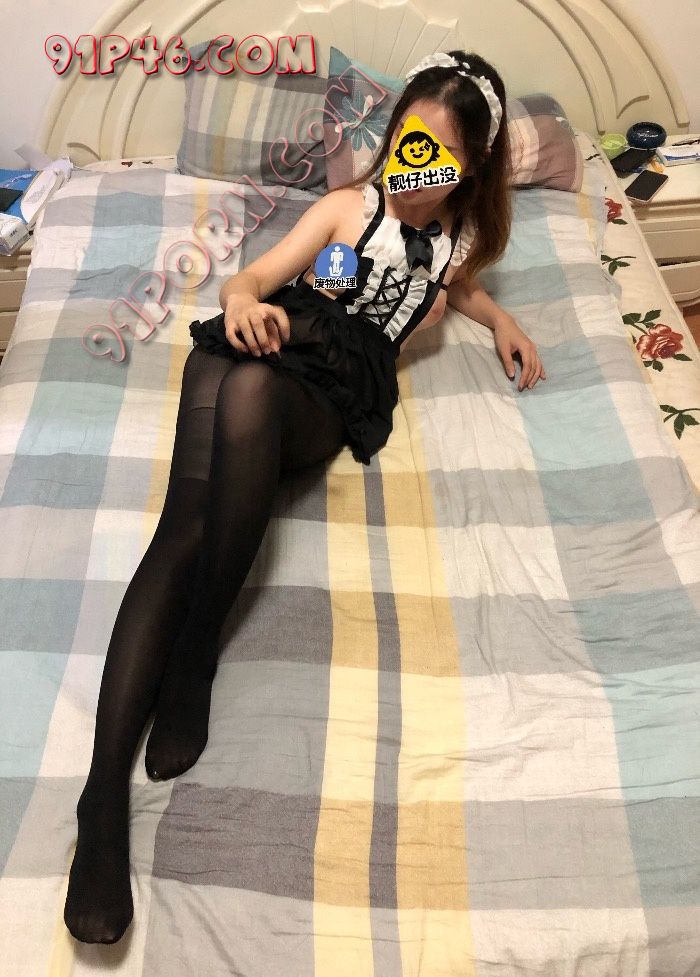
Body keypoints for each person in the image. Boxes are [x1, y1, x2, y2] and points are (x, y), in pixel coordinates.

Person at [64, 48, 546, 946]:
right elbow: (250, 278)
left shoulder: (458, 240)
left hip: (328, 387)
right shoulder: (346, 209)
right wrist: (245, 303)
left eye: (437, 157)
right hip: (273, 333)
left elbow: (460, 284)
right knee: (185, 516)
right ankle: (104, 795)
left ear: (471, 165)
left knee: (244, 408)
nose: (414, 170)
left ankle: (189, 659)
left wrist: (503, 320)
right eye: (407, 145)